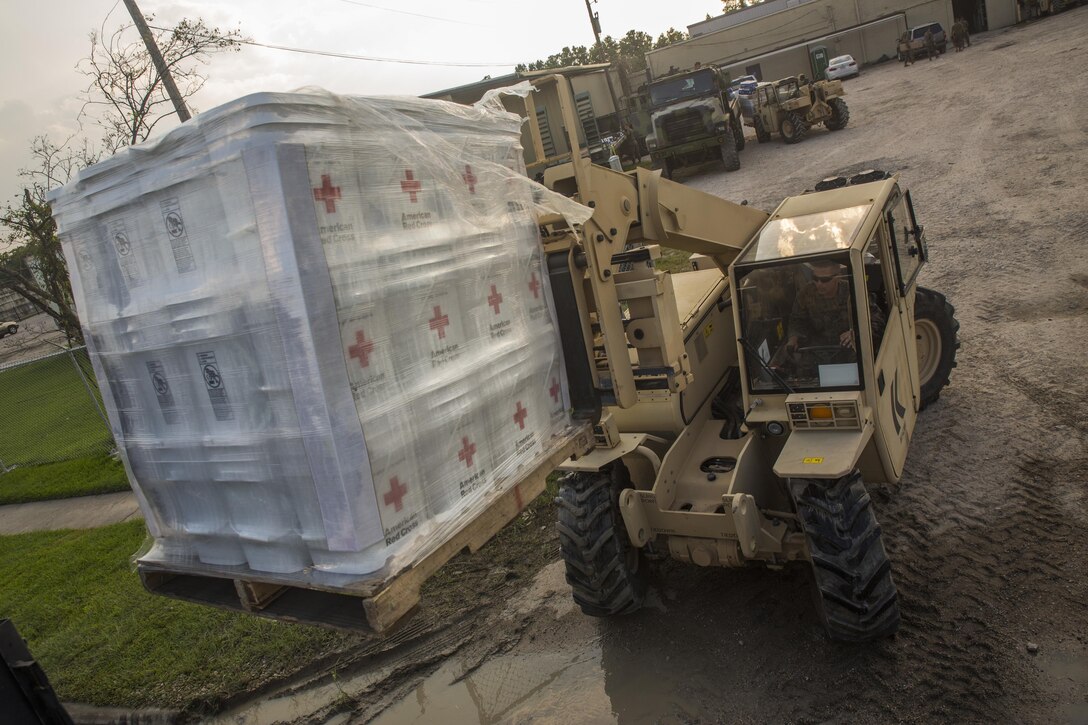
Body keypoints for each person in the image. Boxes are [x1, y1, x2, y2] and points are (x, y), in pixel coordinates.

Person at [787, 259, 855, 353]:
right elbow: (796, 320)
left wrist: (855, 334)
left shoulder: (852, 292)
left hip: (847, 348)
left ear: (838, 277)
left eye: (825, 280)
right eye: (815, 278)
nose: (819, 284)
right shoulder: (806, 293)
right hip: (816, 351)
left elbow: (875, 320)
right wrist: (793, 338)